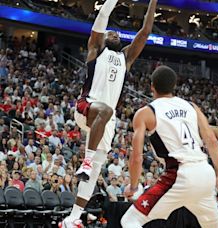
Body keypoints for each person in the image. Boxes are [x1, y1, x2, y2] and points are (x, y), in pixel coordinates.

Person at [61, 0, 158, 226]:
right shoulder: (96, 49)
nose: (113, 33)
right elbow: (103, 14)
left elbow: (145, 32)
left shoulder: (126, 58)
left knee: (95, 171)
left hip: (107, 120)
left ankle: (73, 218)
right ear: (102, 38)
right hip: (87, 107)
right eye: (109, 32)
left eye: (116, 33)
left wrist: (153, 2)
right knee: (105, 111)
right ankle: (85, 160)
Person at [121, 66, 218, 228]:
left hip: (179, 174)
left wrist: (134, 186)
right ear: (174, 86)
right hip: (205, 173)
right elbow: (211, 140)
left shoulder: (146, 113)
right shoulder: (192, 106)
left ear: (152, 86)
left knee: (130, 220)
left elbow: (137, 157)